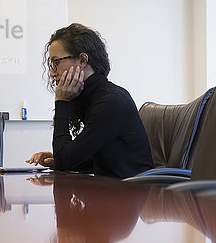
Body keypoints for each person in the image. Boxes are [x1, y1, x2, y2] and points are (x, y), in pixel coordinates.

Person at [26, 23, 154, 178]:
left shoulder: (110, 101)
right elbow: (98, 160)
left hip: (130, 194)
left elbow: (64, 163)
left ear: (82, 60)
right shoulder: (95, 96)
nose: (52, 73)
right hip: (113, 191)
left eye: (56, 62)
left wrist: (62, 101)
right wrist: (56, 159)